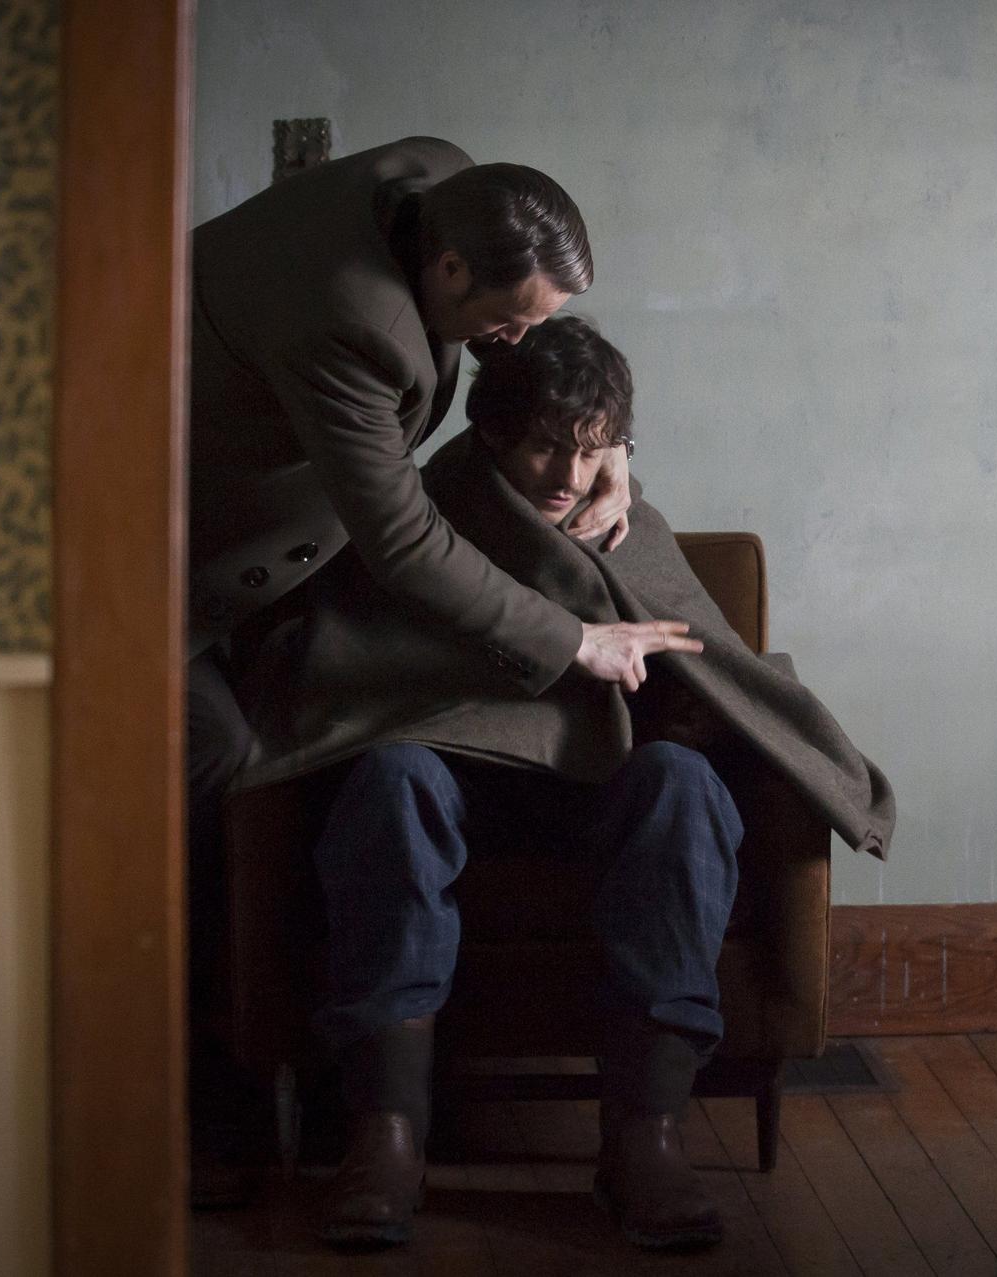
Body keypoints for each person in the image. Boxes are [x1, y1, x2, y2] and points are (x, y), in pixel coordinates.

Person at [183, 137, 689, 1196]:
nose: (516, 342)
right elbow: (404, 544)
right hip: (170, 553)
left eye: (539, 321)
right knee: (229, 757)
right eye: (509, 324)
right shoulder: (344, 318)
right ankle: (207, 1086)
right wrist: (575, 641)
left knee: (685, 787)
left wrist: (611, 443)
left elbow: (531, 359)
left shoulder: (442, 185)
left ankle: (645, 1137)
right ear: (448, 272)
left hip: (283, 555)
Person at [308, 317, 732, 1251]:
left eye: (591, 448)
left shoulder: (627, 521)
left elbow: (707, 671)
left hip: (594, 782)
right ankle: (387, 1134)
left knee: (684, 782)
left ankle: (647, 1138)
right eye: (544, 445)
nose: (567, 475)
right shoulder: (425, 517)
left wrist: (674, 705)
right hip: (453, 777)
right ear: (493, 431)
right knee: (390, 776)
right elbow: (361, 662)